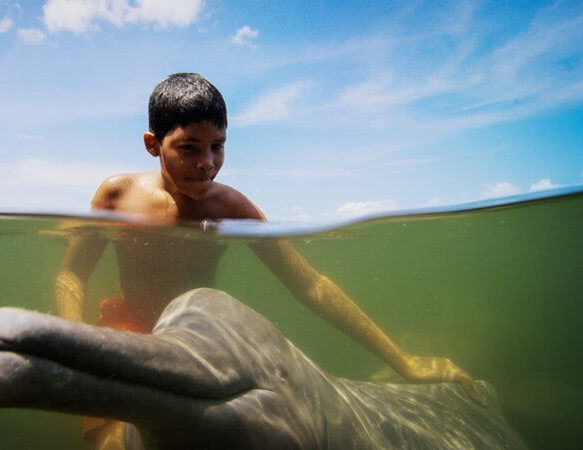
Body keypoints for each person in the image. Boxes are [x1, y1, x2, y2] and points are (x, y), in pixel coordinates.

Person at [54, 73, 483, 450]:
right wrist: (73, 342)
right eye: (189, 148)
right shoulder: (116, 194)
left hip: (204, 347)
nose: (207, 164)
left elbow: (310, 285)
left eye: (218, 147)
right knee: (115, 443)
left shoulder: (234, 208)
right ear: (153, 145)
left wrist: (403, 362)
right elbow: (72, 273)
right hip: (129, 328)